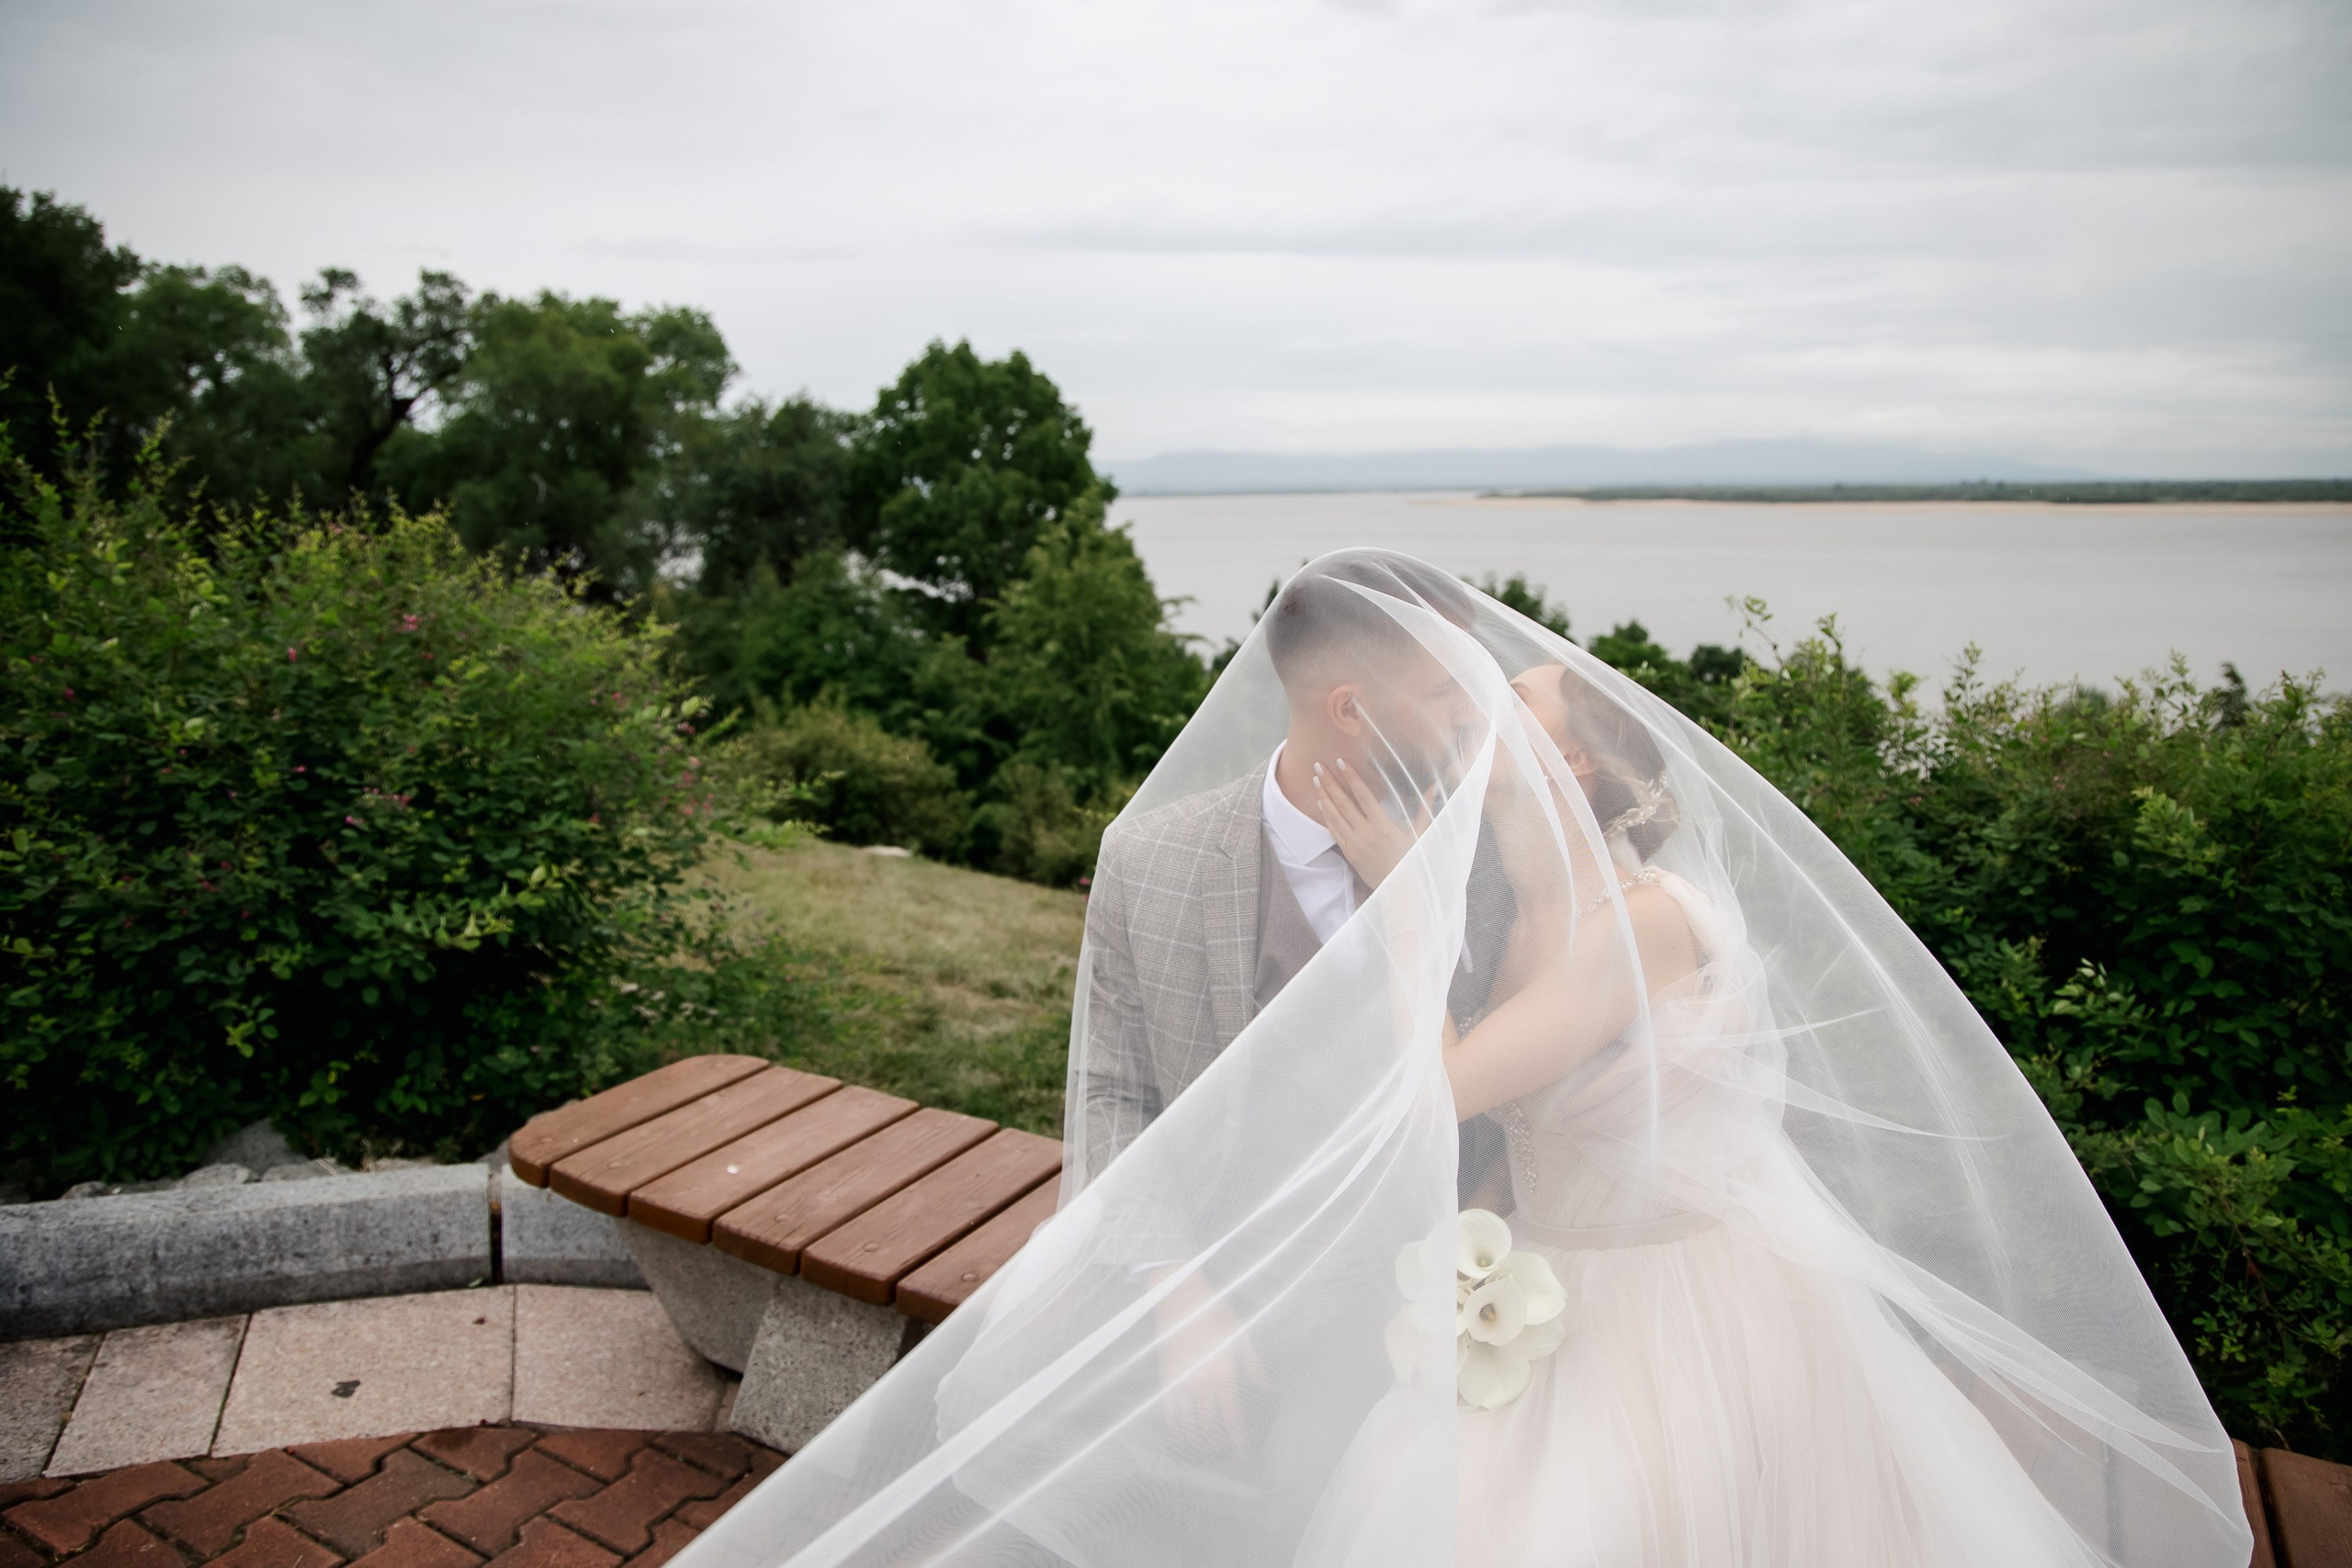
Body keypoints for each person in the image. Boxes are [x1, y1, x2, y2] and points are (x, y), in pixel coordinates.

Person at [672, 551, 2251, 1568]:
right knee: (1004, 1426)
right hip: (1240, 1268)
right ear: (1354, 704)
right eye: (1456, 693)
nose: (1487, 719)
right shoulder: (1158, 861)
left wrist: (1408, 920)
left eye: (1502, 702)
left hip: (1482, 1286)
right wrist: (1174, 1286)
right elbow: (1116, 1096)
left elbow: (1472, 1081)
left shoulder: (1510, 855)